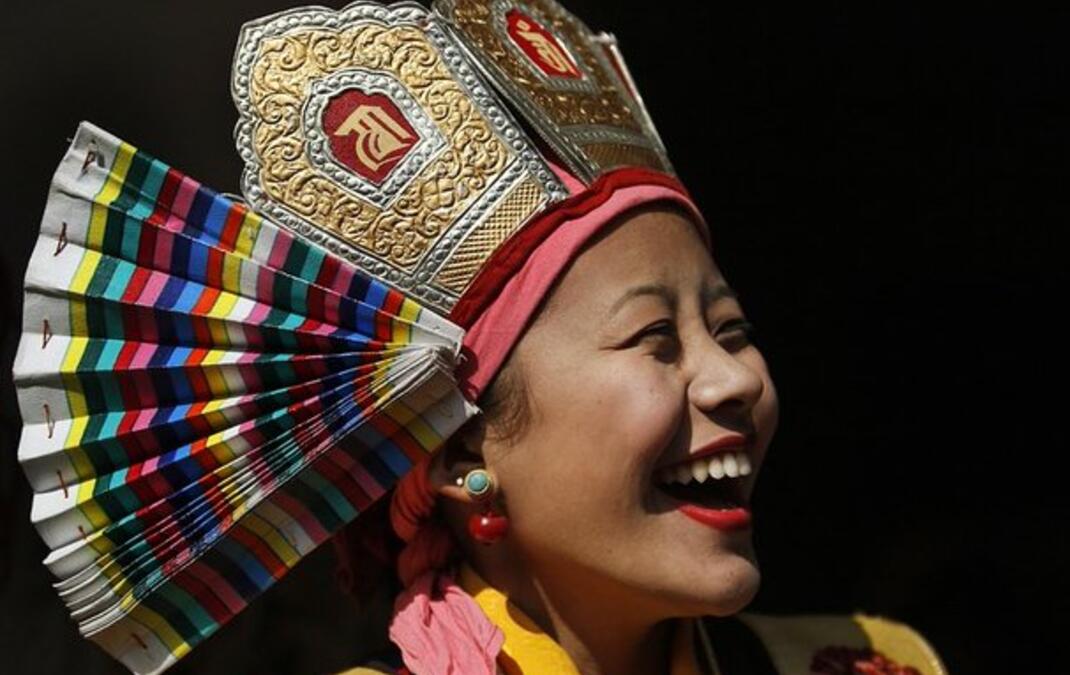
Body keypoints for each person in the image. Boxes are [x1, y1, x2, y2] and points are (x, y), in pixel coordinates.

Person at [13, 1, 944, 673]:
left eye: (729, 326)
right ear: (464, 454)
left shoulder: (873, 663)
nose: (731, 378)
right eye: (656, 337)